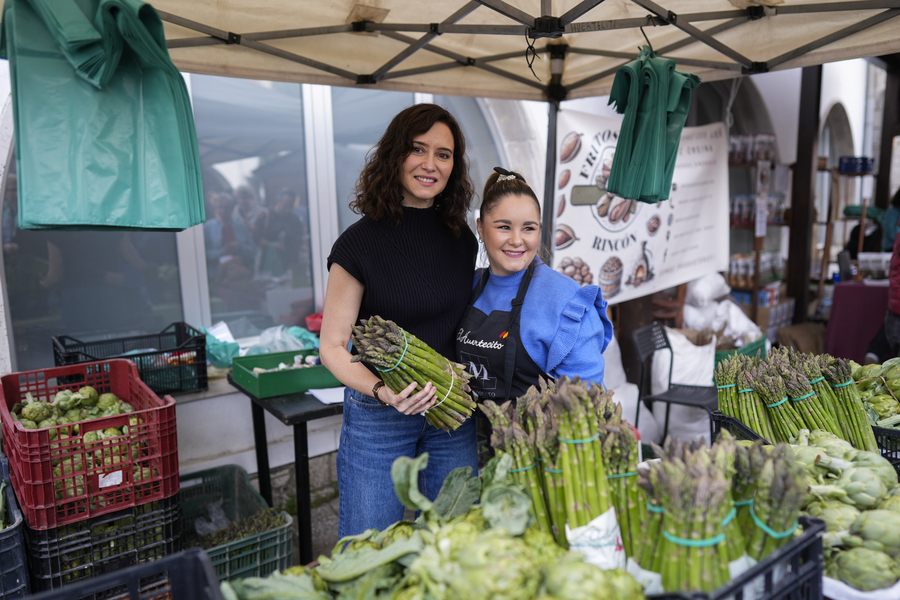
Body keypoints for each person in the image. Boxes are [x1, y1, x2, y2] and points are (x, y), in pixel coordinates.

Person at [319, 104, 479, 538]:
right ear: (395, 156)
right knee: (370, 546)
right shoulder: (358, 244)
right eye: (417, 149)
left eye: (443, 154)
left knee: (456, 540)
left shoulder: (462, 239)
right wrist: (382, 391)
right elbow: (332, 347)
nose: (430, 164)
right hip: (380, 415)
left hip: (451, 411)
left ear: (454, 165)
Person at [456, 168, 614, 405]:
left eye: (528, 228)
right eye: (504, 227)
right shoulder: (466, 285)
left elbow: (583, 403)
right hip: (465, 436)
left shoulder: (567, 301)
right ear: (480, 227)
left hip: (534, 437)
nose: (517, 240)